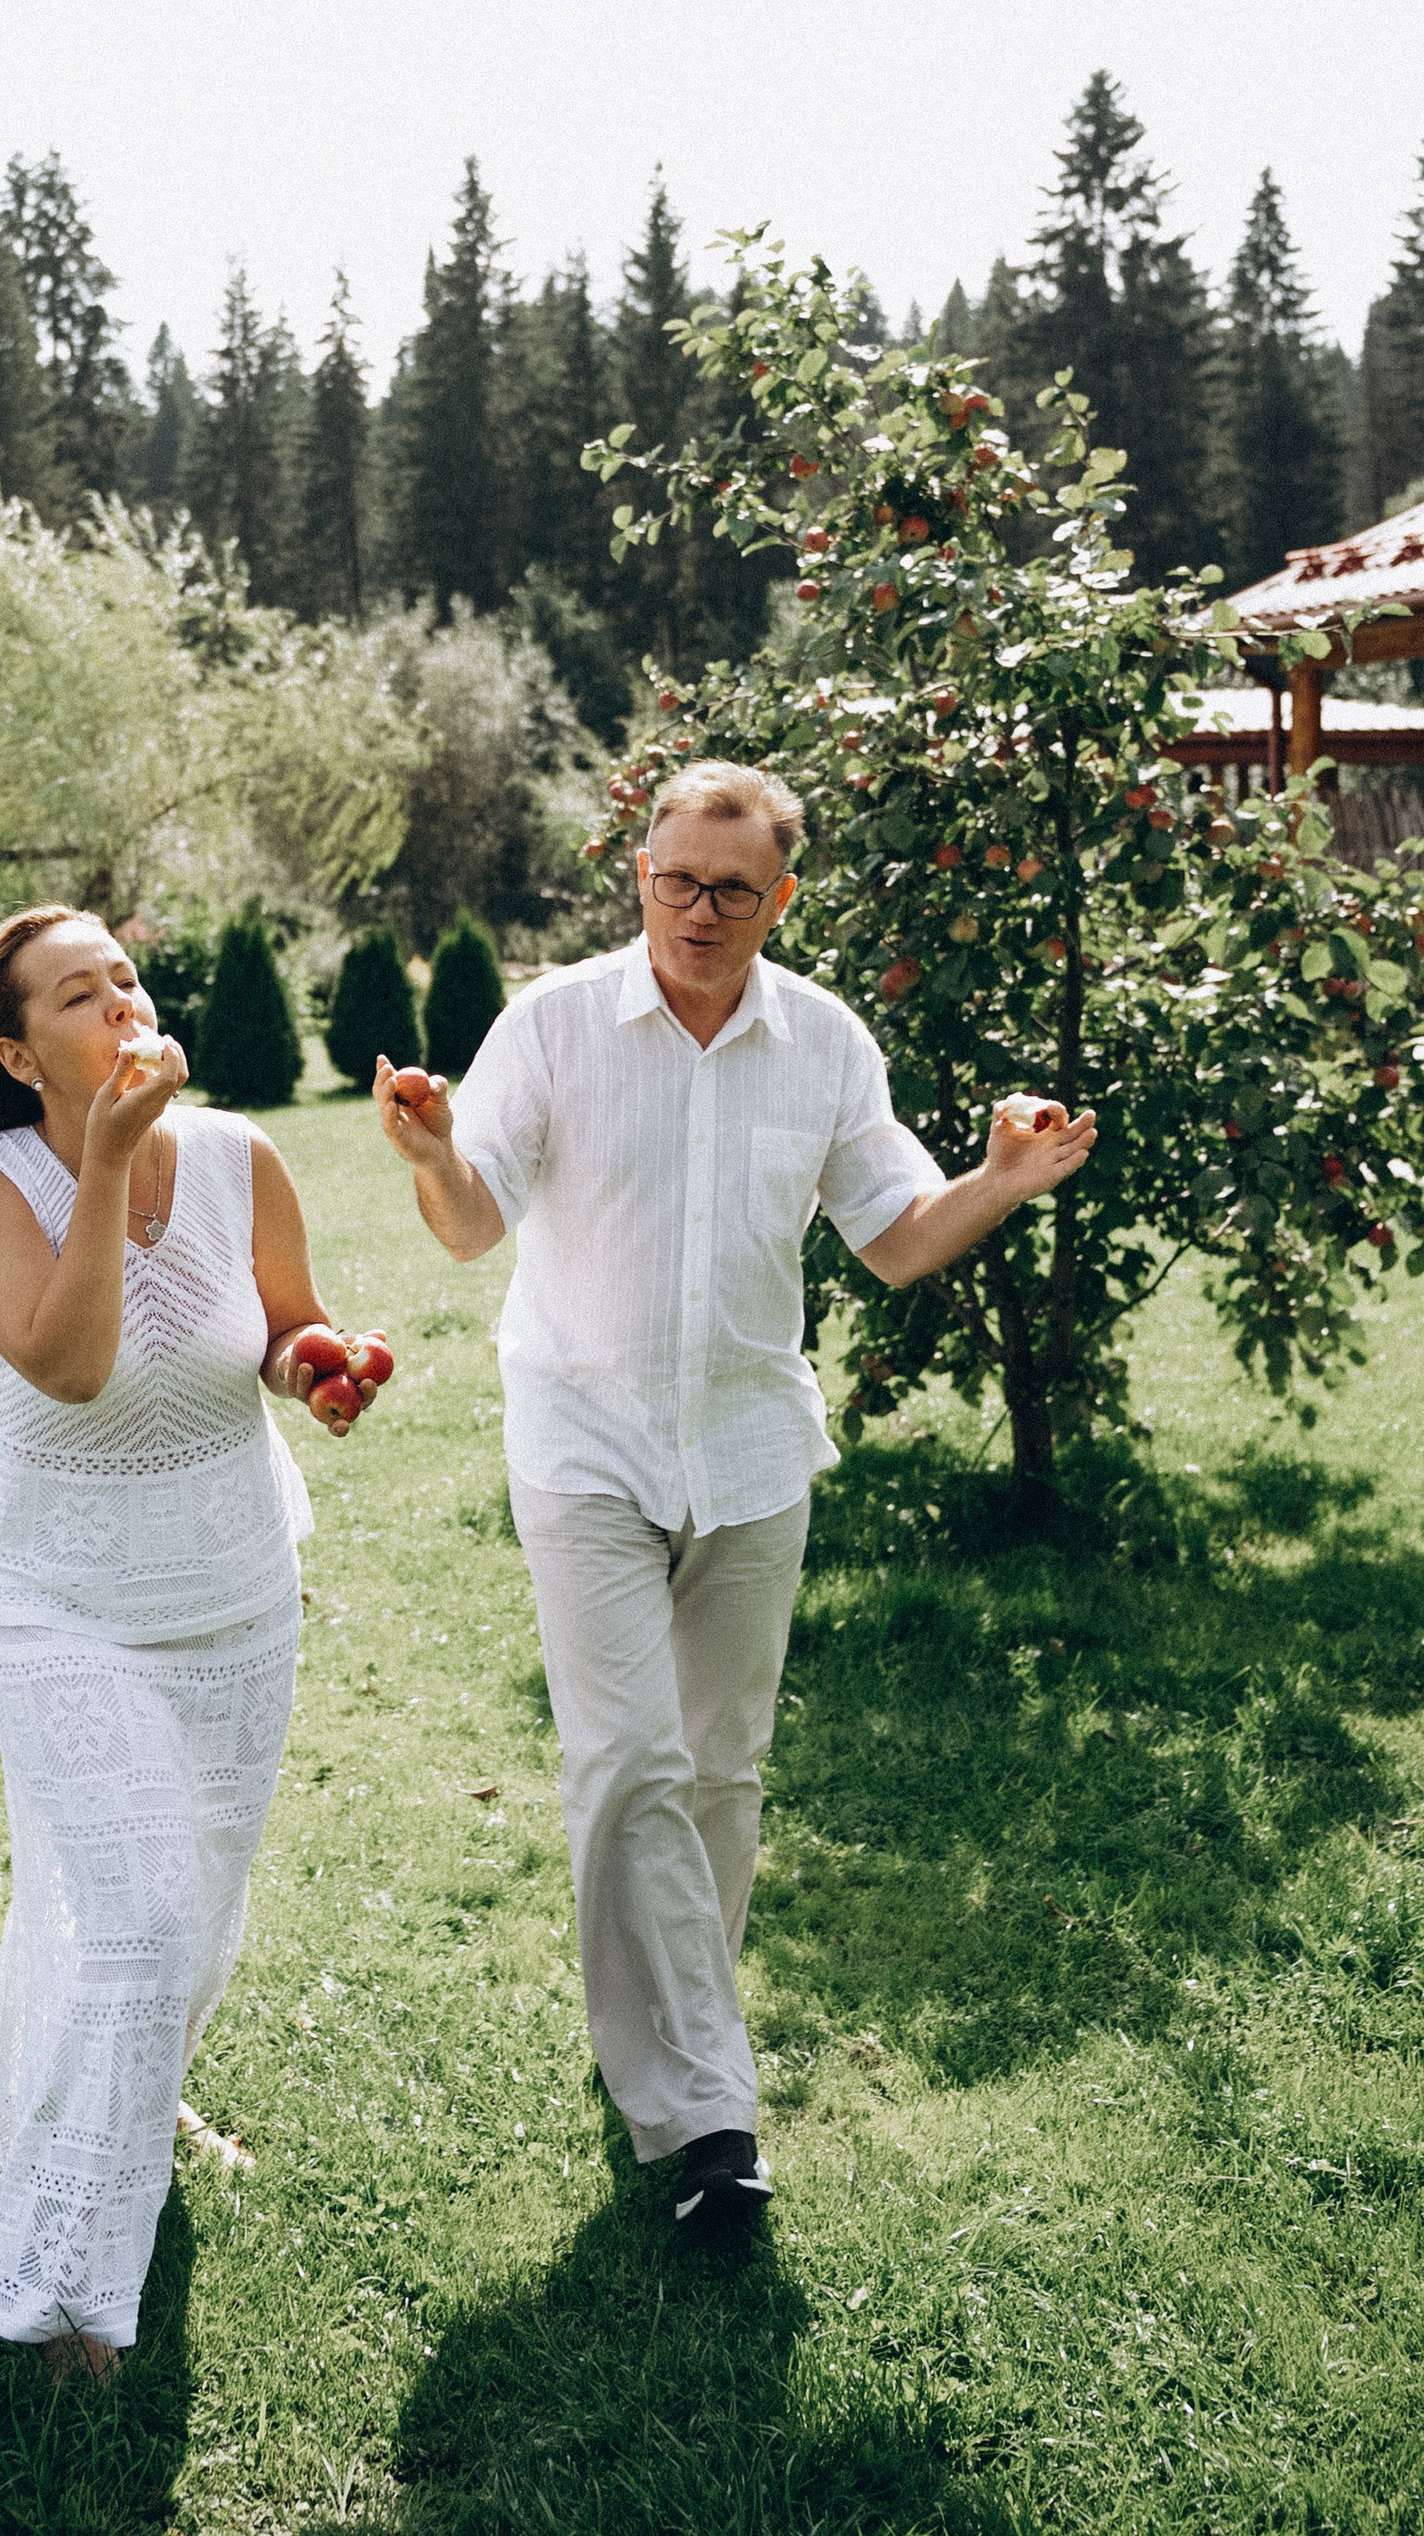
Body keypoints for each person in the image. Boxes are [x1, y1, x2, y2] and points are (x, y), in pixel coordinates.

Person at [375, 759, 1095, 2230]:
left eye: (731, 887)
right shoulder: (557, 1024)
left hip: (755, 1456)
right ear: (638, 871)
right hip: (582, 1446)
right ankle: (709, 2113)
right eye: (672, 878)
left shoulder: (823, 1040)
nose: (697, 910)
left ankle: (657, 2046)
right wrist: (435, 1155)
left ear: (783, 895)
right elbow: (469, 1228)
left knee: (718, 1775)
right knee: (627, 1763)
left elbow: (895, 1240)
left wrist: (1005, 1180)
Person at [0, 904, 381, 2381]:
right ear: (16, 1049)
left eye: (126, 978)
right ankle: (61, 2302)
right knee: (129, 1921)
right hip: (60, 1594)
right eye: (79, 994)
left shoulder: (245, 1155)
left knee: (188, 1913)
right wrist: (113, 1157)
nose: (121, 1003)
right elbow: (67, 1370)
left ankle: (87, 2097)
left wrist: (315, 1367)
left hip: (232, 1583)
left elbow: (281, 1326)